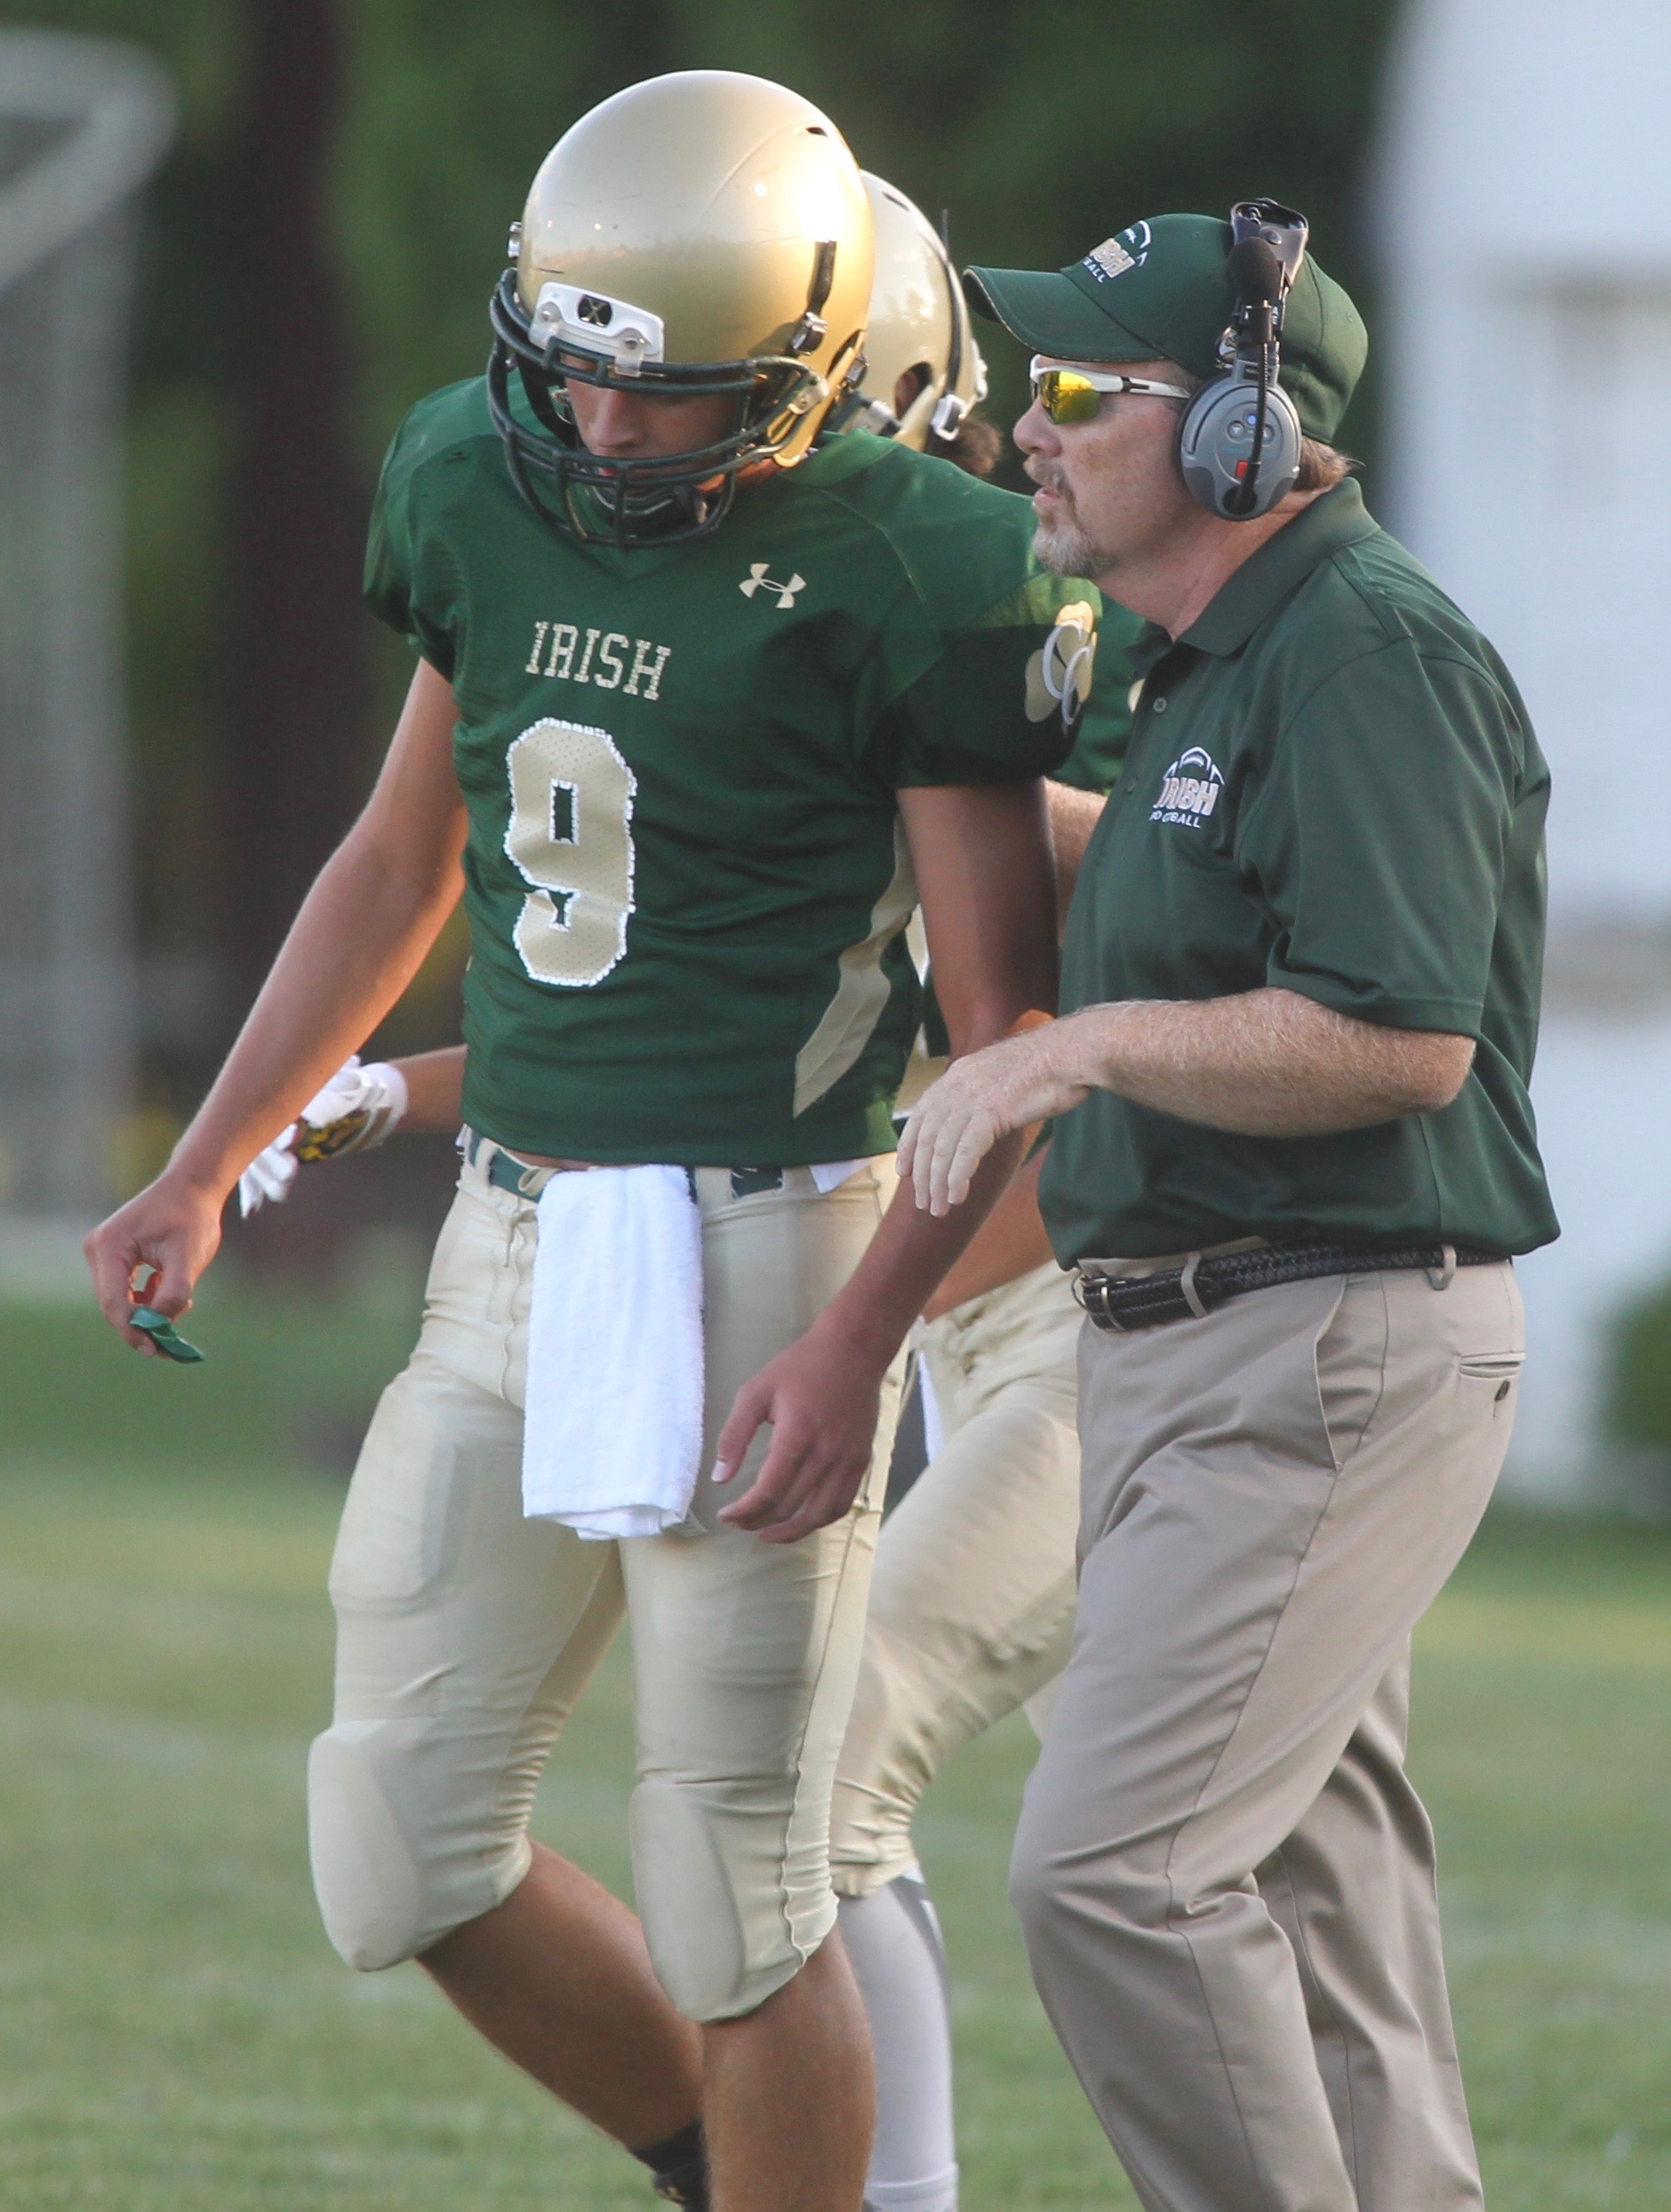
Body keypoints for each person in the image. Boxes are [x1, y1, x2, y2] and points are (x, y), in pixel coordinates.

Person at [84, 76, 1097, 2212]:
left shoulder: (921, 561)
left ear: (815, 358)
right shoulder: (473, 470)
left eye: (672, 392)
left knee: (740, 1880)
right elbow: (399, 859)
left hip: (774, 1239)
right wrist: (208, 1156)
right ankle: (721, 2168)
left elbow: (999, 1030)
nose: (609, 428)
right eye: (578, 375)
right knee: (399, 1832)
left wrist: (862, 1343)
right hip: (512, 1235)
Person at [900, 207, 1556, 2212]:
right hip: (1213, 1345)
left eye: (1078, 389)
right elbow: (1192, 877)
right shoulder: (1224, 660)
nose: (1027, 425)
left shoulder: (1366, 649)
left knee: (1119, 1872)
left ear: (1238, 436)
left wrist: (1074, 1052)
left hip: (1322, 1341)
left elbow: (1402, 1036)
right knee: (1319, 1908)